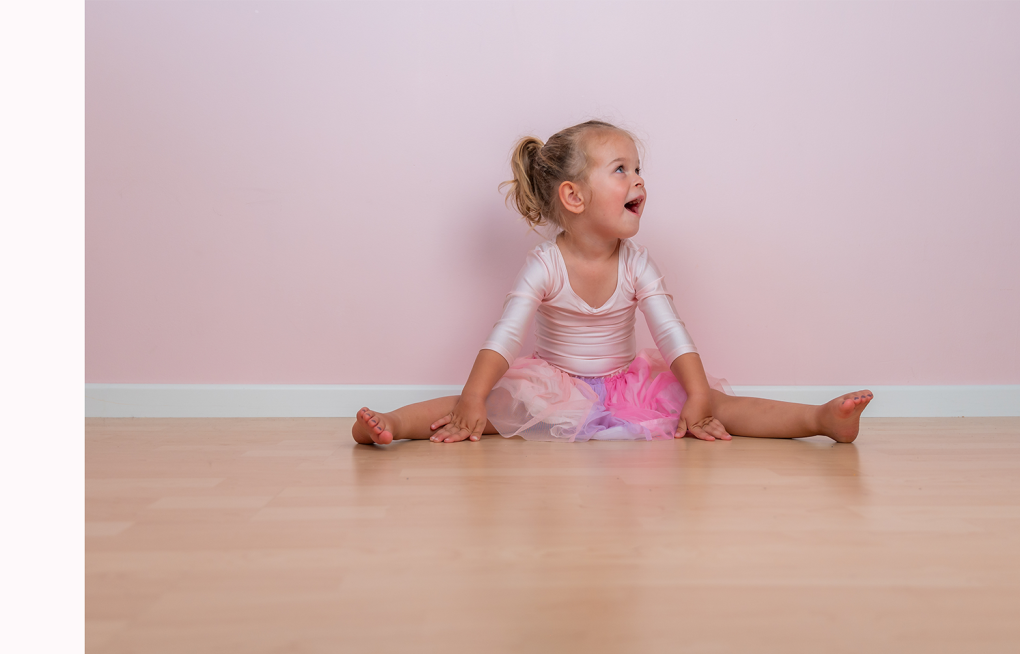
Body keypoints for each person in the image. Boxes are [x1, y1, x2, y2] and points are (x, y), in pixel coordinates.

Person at [353, 120, 872, 445]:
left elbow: (672, 334)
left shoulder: (637, 263)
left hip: (630, 385)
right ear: (574, 198)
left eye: (639, 168)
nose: (639, 180)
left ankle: (821, 420)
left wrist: (696, 393)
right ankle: (392, 426)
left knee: (718, 406)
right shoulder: (545, 264)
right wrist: (472, 395)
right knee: (475, 409)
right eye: (621, 170)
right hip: (557, 384)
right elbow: (506, 335)